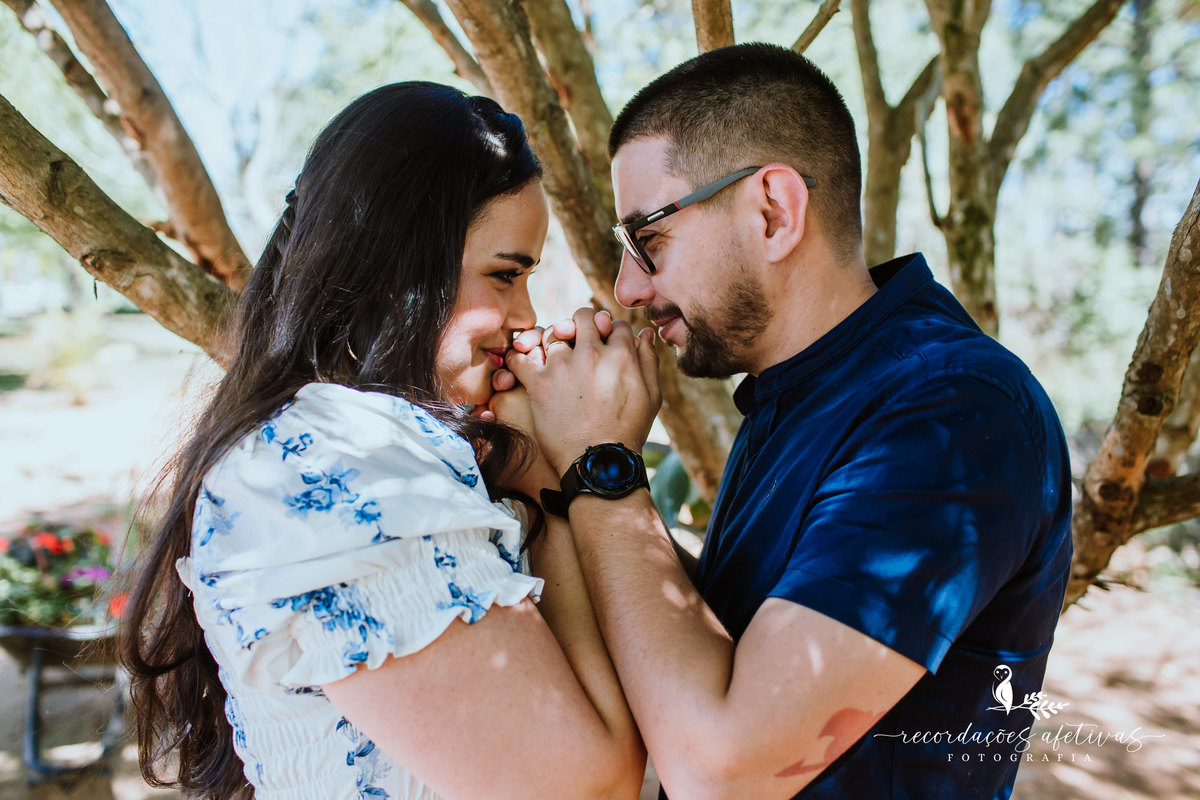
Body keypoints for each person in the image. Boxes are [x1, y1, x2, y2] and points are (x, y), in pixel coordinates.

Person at [506, 43, 1072, 799]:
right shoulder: (795, 395)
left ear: (773, 210)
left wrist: (604, 464)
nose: (626, 288)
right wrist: (555, 464)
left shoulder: (955, 411)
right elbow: (715, 641)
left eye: (649, 240)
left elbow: (724, 771)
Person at [117, 82, 645, 800]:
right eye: (505, 275)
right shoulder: (344, 464)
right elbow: (586, 785)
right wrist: (583, 469)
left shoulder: (344, 447)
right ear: (398, 265)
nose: (525, 318)